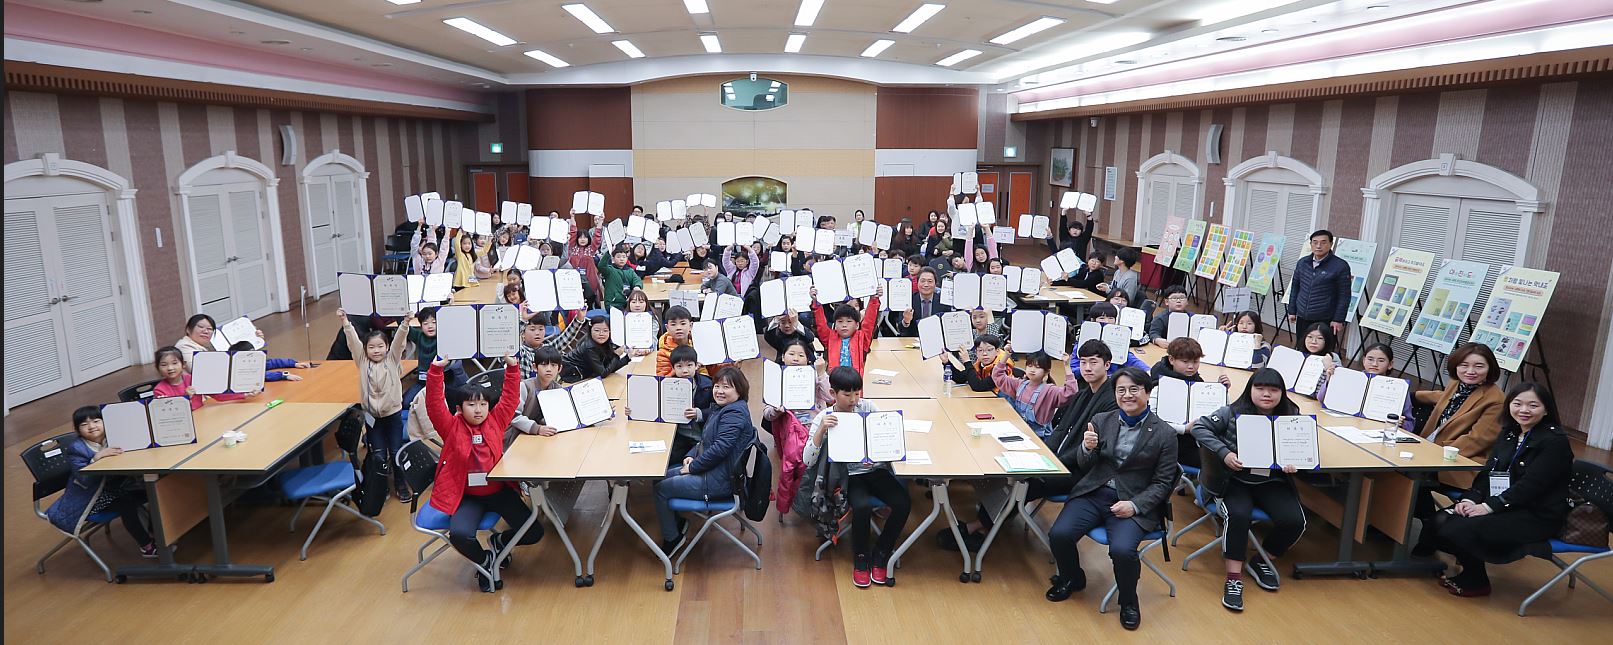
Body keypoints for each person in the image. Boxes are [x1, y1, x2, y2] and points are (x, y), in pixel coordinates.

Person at [1045, 367, 1178, 630]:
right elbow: (1086, 465)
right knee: (1059, 534)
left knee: (1122, 551)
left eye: (1134, 389)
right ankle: (1072, 578)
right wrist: (1086, 448)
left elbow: (1163, 483)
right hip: (1094, 492)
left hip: (1132, 500)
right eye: (1121, 390)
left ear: (1148, 393)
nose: (1127, 395)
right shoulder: (1102, 420)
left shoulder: (1165, 433)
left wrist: (1135, 505)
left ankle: (1129, 601)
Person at [1416, 382, 1573, 597]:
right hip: (1504, 504)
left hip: (1535, 514)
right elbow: (1488, 472)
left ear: (1546, 410)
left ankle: (1477, 580)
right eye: (1517, 404)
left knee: (1457, 529)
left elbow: (1532, 487)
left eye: (1533, 405)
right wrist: (1471, 499)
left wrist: (1488, 507)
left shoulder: (1554, 442)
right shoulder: (1510, 432)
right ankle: (1472, 566)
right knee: (1439, 521)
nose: (1524, 410)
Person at [1190, 368, 1309, 611]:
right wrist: (1224, 453)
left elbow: (1301, 448)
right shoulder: (1231, 412)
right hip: (1232, 480)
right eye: (1260, 388)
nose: (1267, 394)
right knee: (1238, 515)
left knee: (1295, 521)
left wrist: (1293, 463)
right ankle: (1233, 578)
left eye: (1274, 390)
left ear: (1282, 393)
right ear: (1250, 389)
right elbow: (1199, 428)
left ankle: (1262, 558)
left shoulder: (1292, 416)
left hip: (1271, 481)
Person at [423, 353, 540, 593]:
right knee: (460, 535)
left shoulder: (496, 421)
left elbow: (510, 397)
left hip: (498, 492)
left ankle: (499, 542)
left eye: (483, 404)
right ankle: (486, 562)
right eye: (471, 405)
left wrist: (512, 367)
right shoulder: (451, 427)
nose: (478, 410)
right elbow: (434, 404)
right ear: (459, 408)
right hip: (468, 496)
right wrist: (435, 370)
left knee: (534, 532)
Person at [803, 367, 913, 588]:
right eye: (847, 394)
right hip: (849, 476)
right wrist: (821, 431)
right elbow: (808, 460)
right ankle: (861, 557)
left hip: (875, 470)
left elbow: (886, 436)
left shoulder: (867, 407)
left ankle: (882, 552)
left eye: (857, 393)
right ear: (833, 393)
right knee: (861, 507)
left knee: (903, 502)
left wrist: (883, 450)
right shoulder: (825, 417)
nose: (854, 399)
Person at [655, 367, 757, 554]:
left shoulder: (734, 415)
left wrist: (693, 467)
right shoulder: (724, 408)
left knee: (661, 488)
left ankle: (673, 538)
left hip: (719, 482)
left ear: (739, 390)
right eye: (717, 386)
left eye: (726, 387)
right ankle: (676, 523)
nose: (719, 391)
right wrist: (691, 455)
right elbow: (706, 441)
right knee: (658, 477)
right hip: (716, 472)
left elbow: (719, 450)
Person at [46, 406, 160, 558]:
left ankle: (156, 534)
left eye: (96, 421)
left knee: (155, 491)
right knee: (127, 506)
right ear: (77, 430)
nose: (91, 426)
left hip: (117, 487)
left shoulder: (114, 437)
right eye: (84, 424)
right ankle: (146, 546)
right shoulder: (76, 448)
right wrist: (96, 459)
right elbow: (84, 479)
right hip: (91, 495)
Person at [506, 346, 586, 523]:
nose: (549, 369)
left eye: (553, 365)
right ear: (534, 367)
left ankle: (549, 496)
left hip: (540, 437)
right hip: (517, 438)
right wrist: (537, 428)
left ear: (560, 368)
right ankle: (531, 487)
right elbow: (513, 416)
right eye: (544, 365)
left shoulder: (558, 389)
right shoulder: (524, 386)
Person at [341, 308, 414, 501]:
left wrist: (405, 322)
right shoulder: (362, 361)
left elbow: (399, 340)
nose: (376, 350)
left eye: (380, 346)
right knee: (378, 454)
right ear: (365, 349)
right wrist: (346, 322)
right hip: (372, 417)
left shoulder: (392, 359)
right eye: (371, 347)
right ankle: (381, 485)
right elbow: (353, 342)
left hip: (393, 415)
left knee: (396, 451)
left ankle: (400, 482)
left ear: (387, 347)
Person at [1414, 342, 1505, 489]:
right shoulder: (1457, 383)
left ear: (1490, 368)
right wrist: (1412, 395)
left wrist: (1431, 455)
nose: (1470, 371)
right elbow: (1442, 397)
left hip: (1458, 462)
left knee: (1407, 478)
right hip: (1430, 448)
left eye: (1479, 366)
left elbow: (1476, 440)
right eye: (1464, 365)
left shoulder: (1496, 400)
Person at [1149, 337, 1232, 468]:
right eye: (1185, 361)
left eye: (1196, 361)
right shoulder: (1159, 386)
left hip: (1198, 439)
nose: (1191, 366)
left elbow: (1221, 413)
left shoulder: (1198, 382)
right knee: (1219, 462)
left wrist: (1221, 391)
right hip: (1170, 444)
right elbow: (1151, 421)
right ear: (1171, 360)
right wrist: (1184, 429)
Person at [1317, 343, 1414, 433]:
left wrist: (1402, 423)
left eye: (1381, 360)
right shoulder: (1351, 378)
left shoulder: (1399, 388)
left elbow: (1410, 425)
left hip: (1377, 431)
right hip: (1346, 425)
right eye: (1370, 359)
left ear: (1390, 364)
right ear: (1364, 360)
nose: (1375, 364)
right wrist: (1329, 380)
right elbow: (1321, 399)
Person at [992, 351, 1081, 438]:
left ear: (1046, 372)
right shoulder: (1019, 384)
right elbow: (998, 376)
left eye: (1037, 367)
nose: (1032, 370)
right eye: (1029, 366)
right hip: (1019, 432)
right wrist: (1006, 355)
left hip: (1039, 437)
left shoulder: (1050, 391)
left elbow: (1071, 393)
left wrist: (1067, 366)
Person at [1285, 230, 1352, 344]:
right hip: (1303, 316)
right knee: (1302, 346)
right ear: (1310, 244)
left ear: (1331, 244)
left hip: (1325, 318)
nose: (1318, 246)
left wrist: (1338, 319)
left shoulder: (1340, 266)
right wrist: (1292, 310)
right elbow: (1295, 287)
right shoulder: (1302, 263)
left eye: (1323, 242)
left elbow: (1344, 295)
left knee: (1321, 349)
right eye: (1315, 242)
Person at [151, 346, 253, 410]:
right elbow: (168, 413)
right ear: (157, 368)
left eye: (174, 363)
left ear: (183, 364)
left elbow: (218, 394)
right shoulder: (159, 390)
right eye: (164, 365)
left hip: (202, 416)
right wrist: (185, 397)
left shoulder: (194, 379)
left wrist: (244, 394)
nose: (170, 368)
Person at [405, 307, 468, 406]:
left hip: (444, 381)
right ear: (420, 326)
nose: (430, 326)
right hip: (423, 381)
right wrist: (404, 318)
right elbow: (404, 328)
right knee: (406, 403)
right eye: (425, 323)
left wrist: (451, 306)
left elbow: (455, 324)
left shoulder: (444, 336)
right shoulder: (419, 336)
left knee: (452, 403)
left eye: (434, 322)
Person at [810, 288, 880, 373]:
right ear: (835, 325)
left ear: (857, 325)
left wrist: (874, 299)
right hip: (833, 380)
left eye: (849, 321)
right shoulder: (829, 338)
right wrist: (816, 302)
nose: (844, 325)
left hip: (855, 380)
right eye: (840, 321)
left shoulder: (862, 338)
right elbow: (820, 324)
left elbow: (870, 322)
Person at [173, 313, 265, 369]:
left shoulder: (208, 344)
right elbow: (197, 370)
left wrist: (254, 339)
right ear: (188, 329)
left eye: (210, 329)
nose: (206, 331)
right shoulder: (184, 346)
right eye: (201, 327)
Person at [562, 315, 631, 381]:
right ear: (590, 330)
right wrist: (616, 355)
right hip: (571, 374)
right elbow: (603, 374)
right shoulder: (589, 348)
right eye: (597, 330)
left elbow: (609, 368)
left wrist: (628, 357)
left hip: (585, 373)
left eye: (605, 330)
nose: (601, 334)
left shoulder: (607, 343)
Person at [1088, 303, 1151, 374]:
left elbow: (1129, 358)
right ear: (1093, 320)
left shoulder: (1118, 336)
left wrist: (1147, 370)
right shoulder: (1085, 336)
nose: (1107, 321)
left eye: (1111, 318)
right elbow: (1078, 365)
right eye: (1102, 318)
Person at [947, 334, 1015, 393]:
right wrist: (946, 362)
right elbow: (960, 378)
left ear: (997, 351)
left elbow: (978, 386)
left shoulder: (1002, 368)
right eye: (980, 350)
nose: (985, 353)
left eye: (989, 350)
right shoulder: (979, 364)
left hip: (1004, 400)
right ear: (976, 353)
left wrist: (967, 361)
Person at [893, 267, 949, 336]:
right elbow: (902, 330)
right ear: (917, 283)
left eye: (930, 281)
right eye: (922, 281)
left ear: (935, 284)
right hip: (914, 339)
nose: (926, 285)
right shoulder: (909, 300)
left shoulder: (944, 302)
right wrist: (906, 321)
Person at [225, 341, 308, 381]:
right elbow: (263, 375)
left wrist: (294, 364)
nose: (255, 355)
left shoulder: (256, 361)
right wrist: (285, 375)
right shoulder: (239, 370)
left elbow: (274, 362)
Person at [1298, 322, 1342, 391]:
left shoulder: (1333, 358)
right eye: (1310, 337)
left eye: (1320, 338)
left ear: (1327, 341)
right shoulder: (1299, 355)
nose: (1313, 341)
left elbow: (1337, 385)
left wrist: (1328, 368)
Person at [596, 246, 643, 310]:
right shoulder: (609, 270)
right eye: (618, 257)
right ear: (613, 259)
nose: (621, 259)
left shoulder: (630, 271)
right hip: (613, 303)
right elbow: (601, 266)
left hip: (627, 302)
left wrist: (637, 286)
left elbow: (637, 279)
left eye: (624, 257)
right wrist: (608, 253)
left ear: (627, 258)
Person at [655, 306, 695, 376]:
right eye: (673, 324)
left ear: (690, 325)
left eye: (683, 323)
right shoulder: (663, 353)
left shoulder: (699, 344)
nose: (678, 328)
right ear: (667, 327)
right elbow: (663, 378)